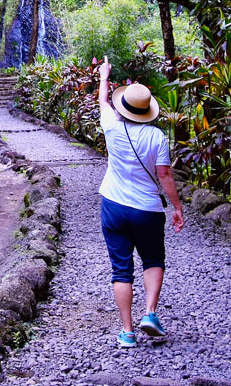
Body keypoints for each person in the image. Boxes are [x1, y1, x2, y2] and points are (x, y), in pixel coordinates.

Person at [97, 56, 185, 348]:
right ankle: (149, 313)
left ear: (124, 107)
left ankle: (127, 332)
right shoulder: (156, 136)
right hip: (147, 209)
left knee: (121, 270)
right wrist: (177, 208)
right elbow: (164, 175)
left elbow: (103, 101)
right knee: (153, 260)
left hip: (113, 205)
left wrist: (104, 75)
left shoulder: (111, 125)